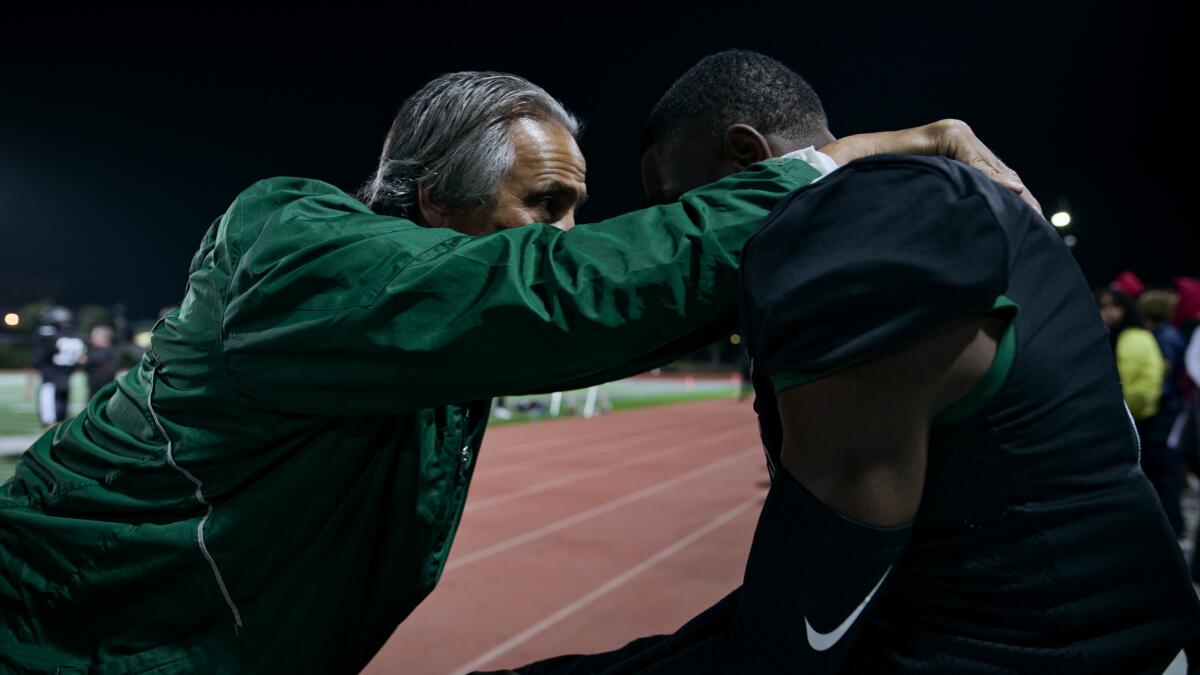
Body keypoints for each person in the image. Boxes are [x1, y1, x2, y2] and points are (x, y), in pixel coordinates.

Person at [0, 71, 1017, 674]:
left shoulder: (441, 339)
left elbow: (628, 307)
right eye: (545, 204)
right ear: (436, 199)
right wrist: (829, 169)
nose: (567, 233)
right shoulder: (295, 244)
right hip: (46, 635)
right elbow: (568, 292)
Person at [516, 50, 1199, 674]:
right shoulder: (934, 201)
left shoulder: (850, 234)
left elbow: (786, 649)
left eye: (676, 207)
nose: (672, 232)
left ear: (747, 155)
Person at [1138, 289, 1188, 537]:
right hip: (1169, 407)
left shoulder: (1163, 336)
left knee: (1164, 467)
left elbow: (1165, 373)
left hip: (1165, 409)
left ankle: (1171, 523)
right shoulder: (1169, 333)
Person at [26, 306, 85, 429]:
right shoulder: (74, 337)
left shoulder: (47, 335)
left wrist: (28, 386)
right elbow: (80, 359)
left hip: (50, 383)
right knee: (60, 423)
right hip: (65, 382)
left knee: (49, 422)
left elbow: (37, 361)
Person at [82, 324, 120, 399]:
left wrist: (86, 360)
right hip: (93, 387)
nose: (91, 339)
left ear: (104, 338)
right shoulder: (93, 351)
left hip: (103, 388)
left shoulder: (110, 352)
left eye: (94, 337)